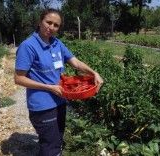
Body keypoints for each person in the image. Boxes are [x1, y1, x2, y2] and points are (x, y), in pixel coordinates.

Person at [14, 8, 103, 156]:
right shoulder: (28, 46)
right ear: (40, 21)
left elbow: (75, 62)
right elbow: (19, 78)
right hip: (42, 106)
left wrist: (94, 73)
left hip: (60, 100)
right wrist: (49, 87)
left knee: (57, 139)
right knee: (51, 146)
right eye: (48, 22)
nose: (51, 27)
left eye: (56, 25)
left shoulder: (56, 43)